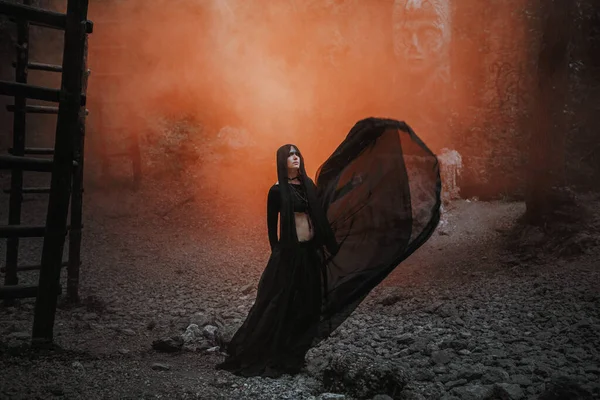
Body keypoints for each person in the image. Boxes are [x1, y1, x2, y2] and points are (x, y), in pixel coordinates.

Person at [217, 117, 441, 377]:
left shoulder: (309, 186)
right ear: (282, 161)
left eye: (297, 154)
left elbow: (322, 214)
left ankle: (292, 353)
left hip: (309, 253)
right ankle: (260, 349)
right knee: (277, 302)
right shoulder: (277, 191)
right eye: (290, 156)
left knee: (308, 303)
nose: (295, 158)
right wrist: (277, 252)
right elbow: (271, 227)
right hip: (289, 255)